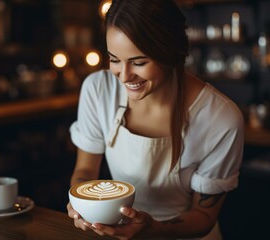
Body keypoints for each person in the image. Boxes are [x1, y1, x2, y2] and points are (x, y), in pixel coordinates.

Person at [66, 0, 244, 239]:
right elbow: (85, 170)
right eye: (114, 59)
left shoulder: (220, 118)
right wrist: (81, 204)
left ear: (170, 52)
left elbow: (203, 216)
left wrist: (153, 229)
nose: (125, 75)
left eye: (139, 62)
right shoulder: (99, 90)